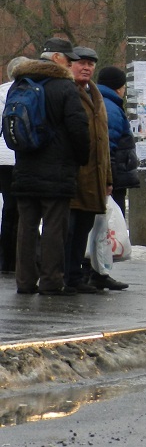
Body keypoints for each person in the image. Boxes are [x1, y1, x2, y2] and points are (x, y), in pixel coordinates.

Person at [12, 37, 89, 296]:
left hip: (24, 166)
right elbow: (78, 127)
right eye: (69, 60)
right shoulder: (64, 88)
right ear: (57, 58)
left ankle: (24, 281)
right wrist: (82, 157)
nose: (71, 65)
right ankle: (51, 281)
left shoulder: (19, 84)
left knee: (26, 227)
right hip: (57, 169)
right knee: (55, 227)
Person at [66, 47, 128, 293]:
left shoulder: (96, 95)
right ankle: (68, 276)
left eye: (91, 64)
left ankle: (75, 276)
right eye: (81, 62)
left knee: (83, 228)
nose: (87, 67)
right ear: (70, 65)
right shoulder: (68, 91)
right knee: (70, 229)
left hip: (95, 176)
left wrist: (108, 178)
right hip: (75, 174)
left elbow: (103, 143)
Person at [0, 55, 31, 273]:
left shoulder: (1, 91)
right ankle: (21, 258)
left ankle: (6, 260)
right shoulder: (32, 91)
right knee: (23, 209)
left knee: (9, 209)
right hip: (21, 157)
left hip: (3, 158)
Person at [96, 66, 139, 215]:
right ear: (119, 88)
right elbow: (108, 147)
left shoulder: (99, 100)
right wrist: (110, 180)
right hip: (115, 177)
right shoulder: (111, 108)